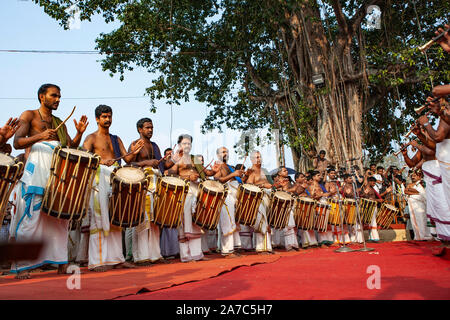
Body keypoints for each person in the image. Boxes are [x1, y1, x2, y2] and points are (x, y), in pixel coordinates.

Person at [10, 83, 88, 279]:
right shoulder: (29, 115)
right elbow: (17, 142)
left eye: (59, 96)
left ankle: (60, 262)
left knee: (59, 217)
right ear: (41, 96)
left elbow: (70, 147)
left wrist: (78, 133)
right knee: (31, 218)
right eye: (54, 96)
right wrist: (40, 136)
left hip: (57, 173)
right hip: (37, 170)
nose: (58, 99)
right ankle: (23, 265)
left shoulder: (60, 121)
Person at [82, 105, 144, 272]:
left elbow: (127, 158)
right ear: (97, 119)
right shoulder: (91, 138)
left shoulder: (116, 139)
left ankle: (117, 259)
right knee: (99, 220)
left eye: (109, 116)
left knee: (116, 218)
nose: (107, 119)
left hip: (116, 178)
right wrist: (100, 161)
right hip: (98, 178)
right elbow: (83, 157)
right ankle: (97, 262)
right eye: (104, 117)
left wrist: (134, 151)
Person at [167, 134, 213, 262]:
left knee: (195, 223)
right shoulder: (177, 159)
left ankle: (197, 255)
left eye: (189, 143)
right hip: (185, 191)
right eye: (184, 143)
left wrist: (214, 171)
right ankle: (186, 256)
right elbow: (168, 173)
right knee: (185, 223)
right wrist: (187, 177)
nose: (187, 146)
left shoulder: (195, 159)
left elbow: (206, 173)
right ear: (179, 144)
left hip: (197, 190)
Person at [127, 118, 166, 266]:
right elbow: (129, 163)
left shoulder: (155, 146)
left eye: (152, 127)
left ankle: (156, 255)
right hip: (142, 185)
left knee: (155, 221)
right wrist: (146, 163)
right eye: (147, 128)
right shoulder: (135, 144)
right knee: (143, 220)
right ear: (139, 129)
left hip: (156, 184)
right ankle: (141, 257)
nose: (150, 130)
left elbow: (161, 164)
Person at [212, 147, 245, 258]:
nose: (225, 154)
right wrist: (233, 174)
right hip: (225, 194)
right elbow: (217, 179)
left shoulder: (229, 167)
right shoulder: (218, 165)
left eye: (227, 151)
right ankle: (226, 250)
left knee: (232, 221)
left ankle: (232, 248)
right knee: (227, 222)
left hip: (233, 195)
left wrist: (239, 175)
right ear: (217, 155)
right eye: (223, 152)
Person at [242, 151, 274, 254]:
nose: (259, 159)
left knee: (266, 222)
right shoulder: (251, 171)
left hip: (268, 198)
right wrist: (264, 186)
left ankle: (266, 247)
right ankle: (261, 248)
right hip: (258, 199)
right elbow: (249, 186)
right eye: (256, 157)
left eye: (260, 157)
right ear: (251, 159)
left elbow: (271, 184)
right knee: (261, 222)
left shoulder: (264, 170)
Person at [404, 170, 432, 241]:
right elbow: (406, 191)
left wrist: (412, 192)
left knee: (422, 220)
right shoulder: (410, 184)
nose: (413, 177)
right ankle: (419, 236)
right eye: (412, 176)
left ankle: (425, 236)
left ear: (419, 176)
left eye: (415, 175)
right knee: (415, 221)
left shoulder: (422, 183)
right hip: (413, 205)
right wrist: (414, 192)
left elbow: (422, 193)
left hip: (421, 205)